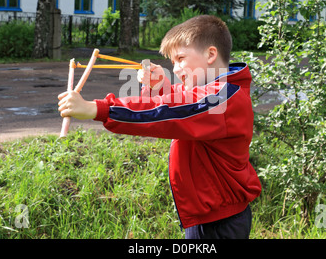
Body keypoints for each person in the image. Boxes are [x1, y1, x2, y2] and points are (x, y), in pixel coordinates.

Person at [58, 15, 262, 239]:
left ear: (211, 54)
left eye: (181, 58)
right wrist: (160, 86)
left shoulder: (223, 99)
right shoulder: (222, 90)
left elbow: (172, 111)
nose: (175, 69)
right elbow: (186, 104)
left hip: (219, 223)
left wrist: (99, 109)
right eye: (172, 62)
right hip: (213, 214)